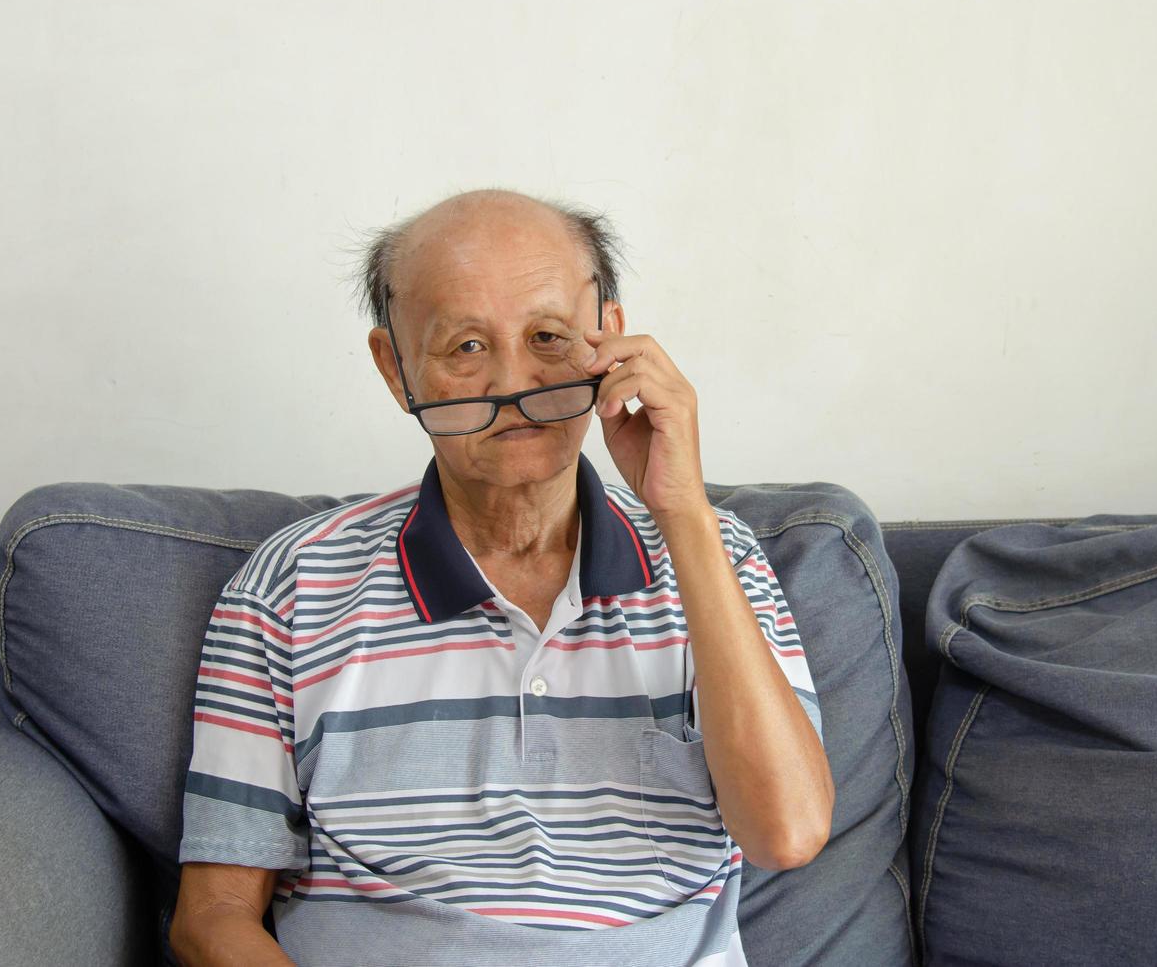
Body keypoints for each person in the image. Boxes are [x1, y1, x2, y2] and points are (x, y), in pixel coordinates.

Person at [169, 188, 833, 966]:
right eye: (466, 348)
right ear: (396, 369)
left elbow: (786, 832)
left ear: (609, 338)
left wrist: (683, 514)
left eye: (548, 336)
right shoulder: (285, 587)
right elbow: (212, 914)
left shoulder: (723, 559)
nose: (513, 388)